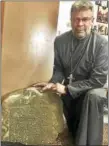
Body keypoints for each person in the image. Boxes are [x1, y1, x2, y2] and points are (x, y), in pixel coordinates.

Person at [32, 1, 108, 145]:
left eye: (84, 19)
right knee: (74, 130)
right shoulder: (60, 41)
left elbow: (98, 80)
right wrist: (53, 84)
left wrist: (67, 89)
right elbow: (59, 68)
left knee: (95, 96)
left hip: (89, 92)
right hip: (69, 93)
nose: (79, 24)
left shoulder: (102, 44)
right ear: (71, 20)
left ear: (92, 21)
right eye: (76, 19)